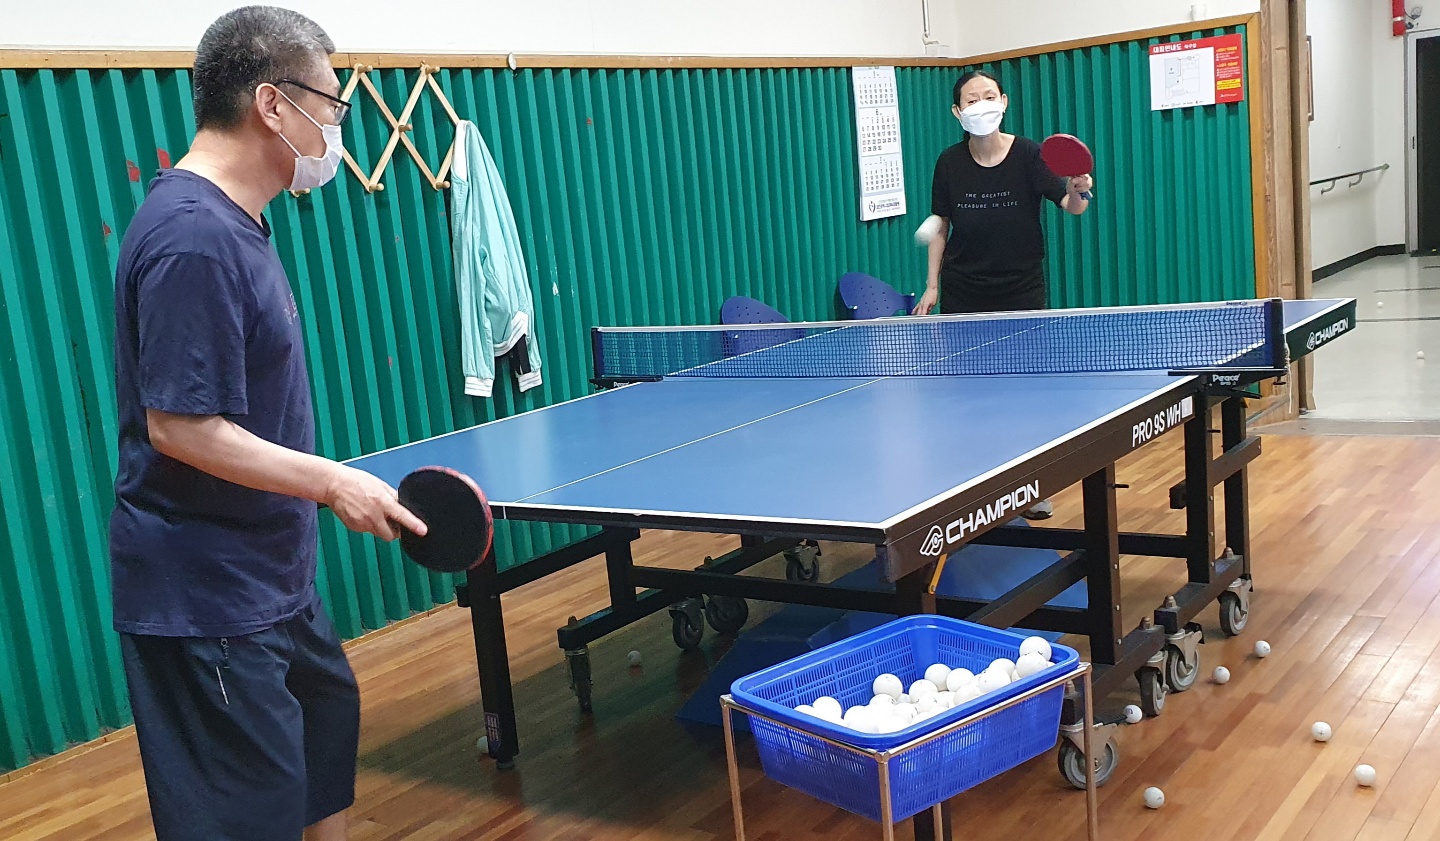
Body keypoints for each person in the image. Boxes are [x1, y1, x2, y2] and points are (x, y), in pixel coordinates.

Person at [108, 7, 427, 840]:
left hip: (272, 578)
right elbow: (180, 427)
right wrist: (332, 482)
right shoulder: (192, 239)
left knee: (324, 745)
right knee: (250, 815)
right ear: (272, 104)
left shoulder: (240, 222)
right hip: (209, 598)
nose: (337, 127)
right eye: (330, 103)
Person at [913, 70, 1094, 518]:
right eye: (971, 100)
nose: (981, 105)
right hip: (965, 293)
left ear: (1004, 101)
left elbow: (1071, 207)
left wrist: (1080, 191)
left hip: (1021, 291)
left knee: (1024, 395)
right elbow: (940, 226)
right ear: (957, 111)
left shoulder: (1030, 154)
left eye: (988, 96)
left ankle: (1029, 489)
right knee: (969, 397)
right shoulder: (949, 162)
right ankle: (975, 486)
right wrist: (933, 285)